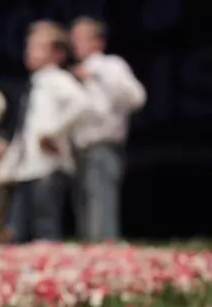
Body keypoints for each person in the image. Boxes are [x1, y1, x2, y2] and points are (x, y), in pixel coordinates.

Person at [0, 21, 90, 243]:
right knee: (13, 232)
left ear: (57, 54)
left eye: (39, 47)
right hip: (28, 173)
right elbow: (22, 139)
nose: (30, 52)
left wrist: (52, 133)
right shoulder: (35, 85)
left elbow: (82, 103)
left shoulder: (57, 79)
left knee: (45, 229)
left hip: (48, 170)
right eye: (29, 46)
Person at [70, 17, 146, 242]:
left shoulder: (111, 66)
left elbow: (137, 97)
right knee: (84, 214)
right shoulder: (73, 72)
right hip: (78, 151)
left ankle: (107, 261)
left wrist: (96, 76)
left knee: (100, 212)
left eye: (81, 38)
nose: (75, 44)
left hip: (103, 147)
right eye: (73, 38)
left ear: (98, 42)